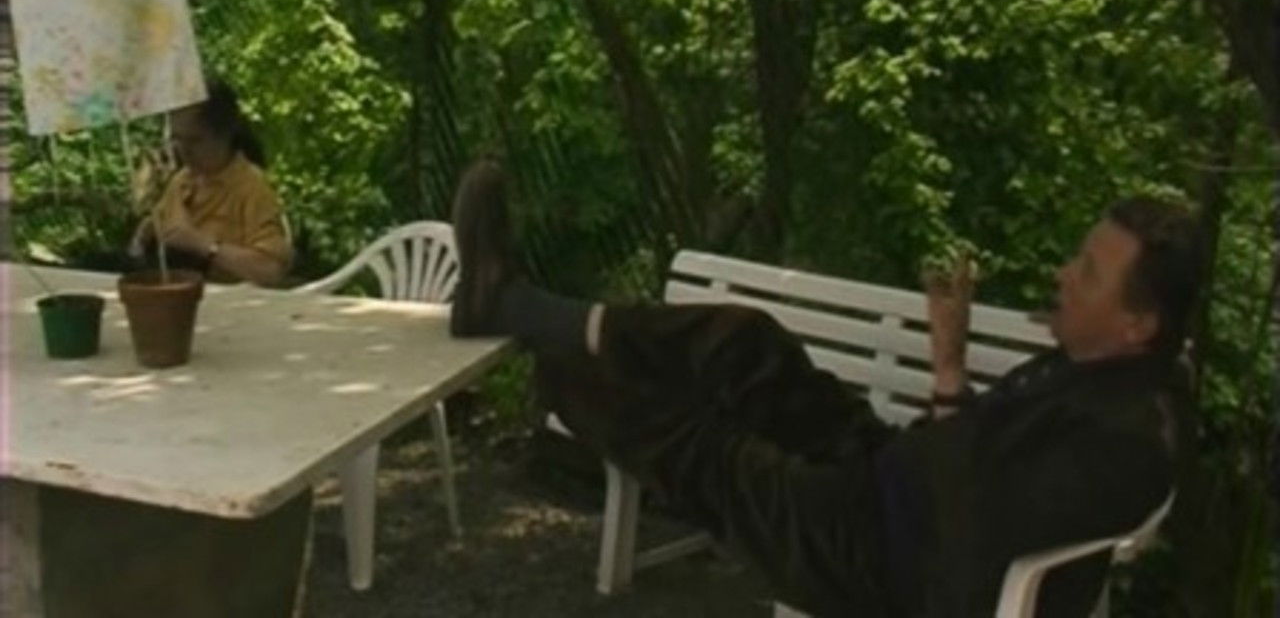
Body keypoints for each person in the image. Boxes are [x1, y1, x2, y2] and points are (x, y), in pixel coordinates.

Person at [447, 159, 1204, 617]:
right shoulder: (1089, 370)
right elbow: (975, 468)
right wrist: (946, 379)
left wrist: (942, 384)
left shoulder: (1130, 440)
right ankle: (516, 309)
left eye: (1089, 274)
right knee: (747, 342)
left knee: (710, 450)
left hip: (879, 561)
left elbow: (971, 529)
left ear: (1138, 323)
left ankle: (536, 340)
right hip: (884, 477)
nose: (1064, 276)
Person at [130, 79, 292, 287]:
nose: (184, 151)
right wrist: (145, 236)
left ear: (225, 134)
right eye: (177, 140)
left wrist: (202, 244)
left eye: (195, 141)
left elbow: (271, 269)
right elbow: (160, 233)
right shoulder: (181, 181)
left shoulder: (250, 186)